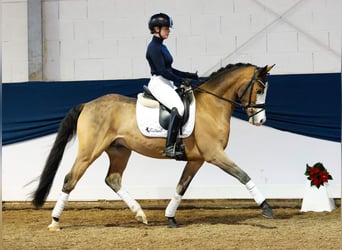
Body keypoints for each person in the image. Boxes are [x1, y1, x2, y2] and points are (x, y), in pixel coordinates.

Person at [146, 13, 198, 158]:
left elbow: (170, 69)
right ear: (156, 28)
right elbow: (162, 71)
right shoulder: (153, 48)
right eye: (166, 28)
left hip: (166, 81)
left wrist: (187, 75)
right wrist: (181, 81)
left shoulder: (162, 46)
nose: (169, 31)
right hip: (158, 83)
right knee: (179, 108)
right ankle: (169, 146)